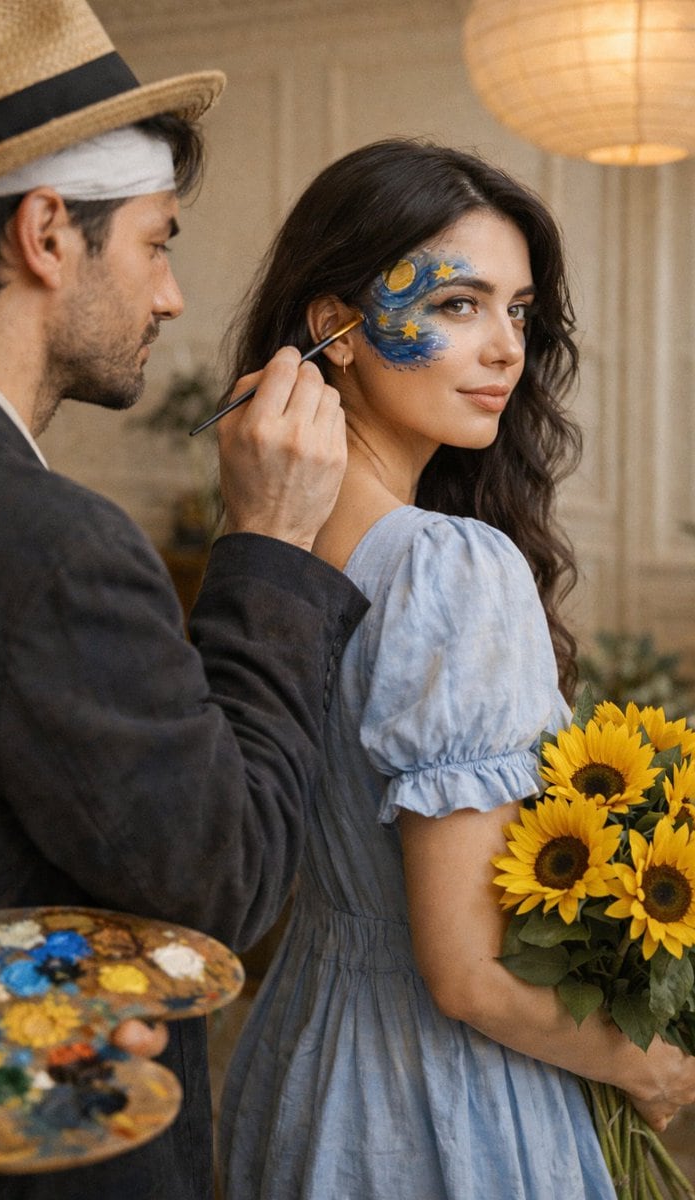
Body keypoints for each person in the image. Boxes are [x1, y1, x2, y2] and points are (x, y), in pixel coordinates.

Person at [0, 2, 369, 1198]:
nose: (169, 297)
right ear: (47, 232)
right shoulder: (47, 547)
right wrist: (267, 543)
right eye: (157, 242)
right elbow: (226, 878)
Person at [217, 138, 695, 1200]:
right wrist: (649, 1063)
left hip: (298, 1061)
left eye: (517, 312)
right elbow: (467, 972)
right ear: (332, 328)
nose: (503, 350)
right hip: (438, 1109)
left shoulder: (266, 547)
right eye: (455, 305)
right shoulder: (449, 567)